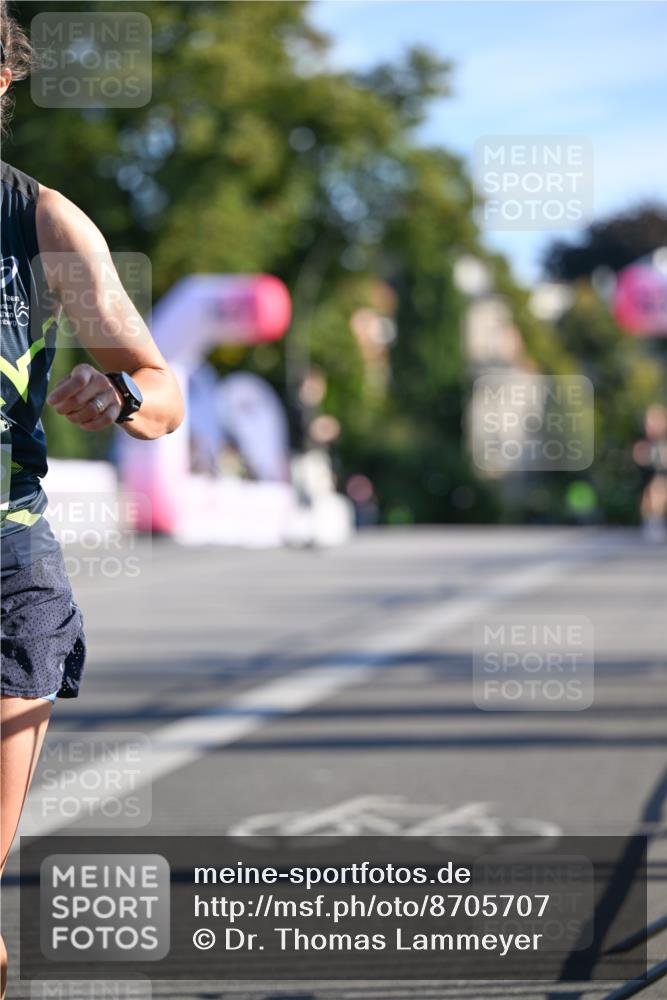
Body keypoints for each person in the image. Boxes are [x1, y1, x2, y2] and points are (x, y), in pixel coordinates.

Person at [0, 6, 184, 994]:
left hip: (6, 560)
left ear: (1, 82)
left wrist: (116, 394)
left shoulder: (41, 221)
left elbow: (164, 388)